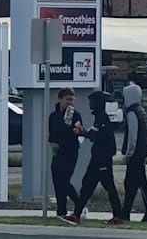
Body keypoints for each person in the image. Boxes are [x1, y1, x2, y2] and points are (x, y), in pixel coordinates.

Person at [61, 90, 122, 226]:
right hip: (98, 157)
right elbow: (94, 133)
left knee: (105, 186)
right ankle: (77, 214)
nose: (90, 104)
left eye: (91, 102)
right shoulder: (100, 117)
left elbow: (98, 136)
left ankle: (117, 216)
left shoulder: (102, 117)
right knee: (89, 186)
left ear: (98, 103)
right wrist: (82, 132)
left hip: (102, 158)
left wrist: (82, 132)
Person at [119, 84, 147, 223]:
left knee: (138, 184)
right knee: (132, 184)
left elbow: (132, 137)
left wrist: (128, 154)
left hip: (135, 155)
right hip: (141, 153)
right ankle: (126, 212)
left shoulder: (132, 113)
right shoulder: (141, 110)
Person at [49, 87, 82, 222]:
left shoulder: (75, 115)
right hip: (57, 152)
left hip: (70, 152)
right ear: (60, 99)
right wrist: (52, 143)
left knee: (64, 181)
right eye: (67, 99)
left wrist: (70, 125)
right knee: (57, 181)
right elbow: (51, 133)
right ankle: (61, 211)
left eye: (71, 100)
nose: (70, 102)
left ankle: (80, 204)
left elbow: (77, 132)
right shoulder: (53, 116)